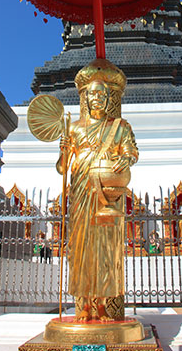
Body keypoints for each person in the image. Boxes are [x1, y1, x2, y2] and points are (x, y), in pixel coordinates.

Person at [56, 59, 138, 322]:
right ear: (86, 98)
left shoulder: (120, 127)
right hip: (80, 194)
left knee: (105, 249)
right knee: (80, 248)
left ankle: (103, 304)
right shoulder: (74, 128)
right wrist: (64, 149)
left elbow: (131, 152)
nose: (98, 98)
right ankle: (83, 304)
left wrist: (124, 160)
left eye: (103, 94)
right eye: (93, 94)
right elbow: (61, 169)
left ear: (108, 98)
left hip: (106, 194)